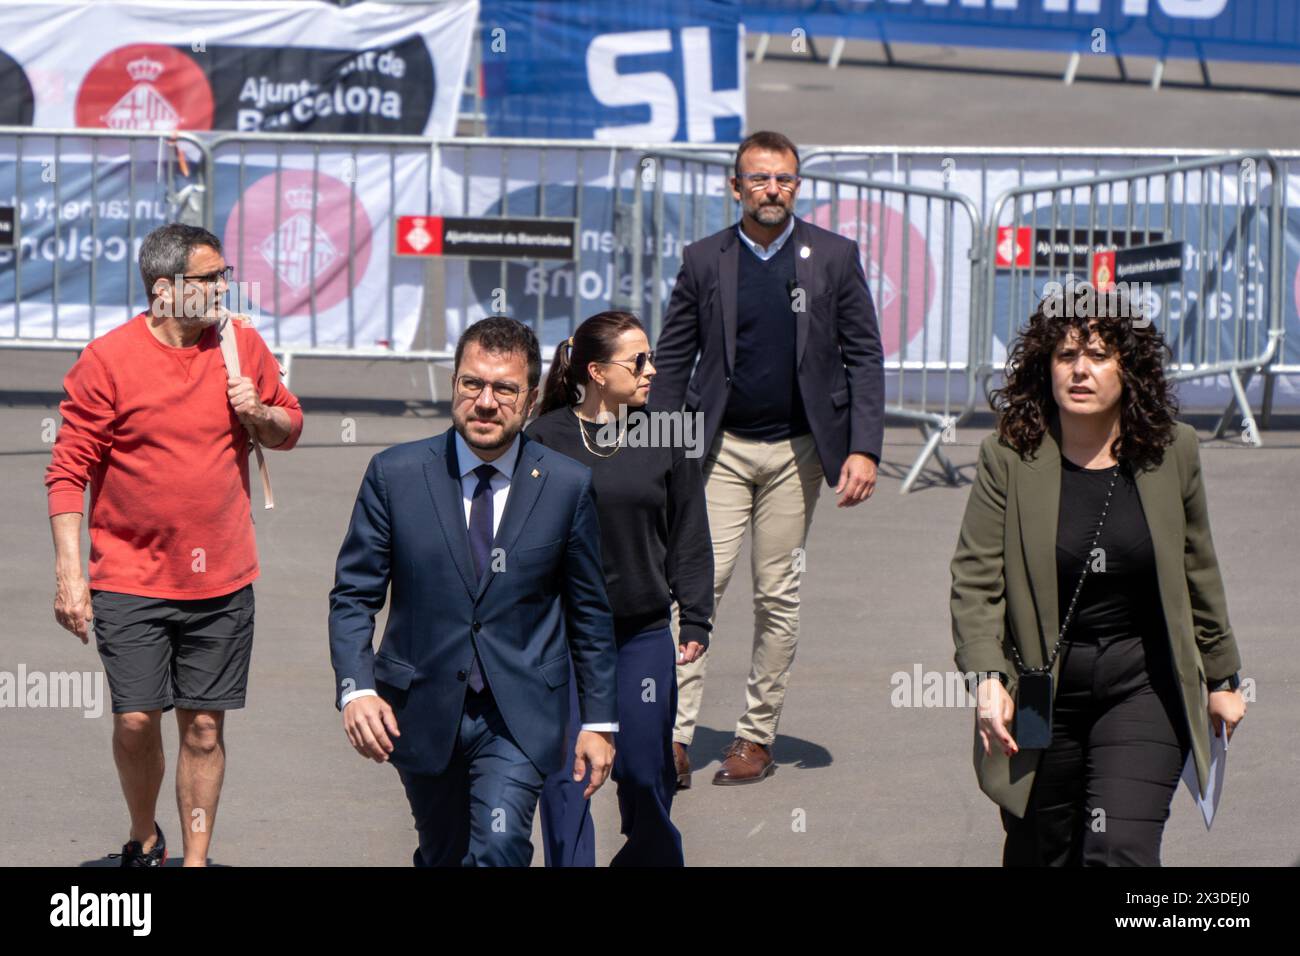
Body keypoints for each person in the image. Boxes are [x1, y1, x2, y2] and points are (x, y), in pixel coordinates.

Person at [950, 286, 1246, 866]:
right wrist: (987, 678)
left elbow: (1198, 567)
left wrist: (1222, 677)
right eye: (1065, 355)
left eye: (1099, 355)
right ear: (1046, 367)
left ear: (1128, 370)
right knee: (1043, 850)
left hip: (1143, 683)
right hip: (1039, 685)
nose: (1080, 370)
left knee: (1119, 848)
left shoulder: (1172, 451)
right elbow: (976, 577)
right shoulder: (1009, 455)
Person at [46, 223, 303, 866]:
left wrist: (259, 413)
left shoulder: (241, 345)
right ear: (165, 290)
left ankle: (193, 858)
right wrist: (71, 575)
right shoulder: (107, 360)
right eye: (211, 278)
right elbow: (67, 470)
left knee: (205, 726)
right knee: (136, 719)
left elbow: (288, 426)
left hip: (221, 577)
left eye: (225, 275)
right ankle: (144, 836)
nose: (225, 288)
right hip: (130, 576)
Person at [328, 316, 618, 867]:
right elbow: (353, 596)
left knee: (500, 847)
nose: (485, 402)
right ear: (454, 384)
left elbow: (589, 612)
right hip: (420, 707)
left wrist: (599, 722)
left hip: (520, 711)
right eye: (471, 384)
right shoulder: (396, 475)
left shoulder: (565, 485)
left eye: (504, 388)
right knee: (445, 854)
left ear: (530, 399)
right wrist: (356, 688)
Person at [651, 130, 885, 786]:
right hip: (719, 450)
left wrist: (864, 447)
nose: (771, 190)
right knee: (696, 588)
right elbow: (672, 359)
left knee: (776, 595)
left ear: (797, 186)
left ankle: (755, 737)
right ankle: (672, 733)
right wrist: (661, 447)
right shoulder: (705, 260)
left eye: (783, 178)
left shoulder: (834, 258)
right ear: (735, 187)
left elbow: (865, 355)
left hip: (797, 453)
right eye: (758, 179)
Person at [529, 311, 713, 866]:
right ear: (596, 371)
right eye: (638, 361)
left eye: (651, 357)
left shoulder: (669, 431)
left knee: (644, 773)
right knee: (567, 782)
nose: (652, 370)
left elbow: (689, 529)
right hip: (559, 638)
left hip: (641, 632)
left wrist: (697, 615)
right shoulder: (544, 438)